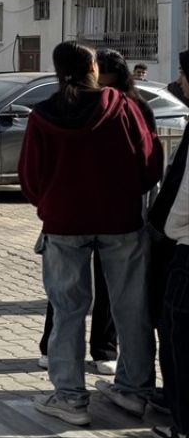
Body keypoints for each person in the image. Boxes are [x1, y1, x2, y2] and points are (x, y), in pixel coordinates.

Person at [19, 41, 161, 427]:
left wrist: (49, 204)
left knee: (68, 310)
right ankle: (134, 391)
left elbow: (30, 176)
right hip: (121, 221)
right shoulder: (122, 106)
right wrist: (129, 195)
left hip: (65, 224)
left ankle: (69, 397)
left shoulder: (43, 115)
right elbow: (150, 161)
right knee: (132, 308)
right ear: (91, 69)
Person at [152, 52, 189, 438]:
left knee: (179, 337)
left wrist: (167, 229)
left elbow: (184, 196)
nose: (180, 82)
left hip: (186, 249)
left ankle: (181, 423)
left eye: (183, 74)